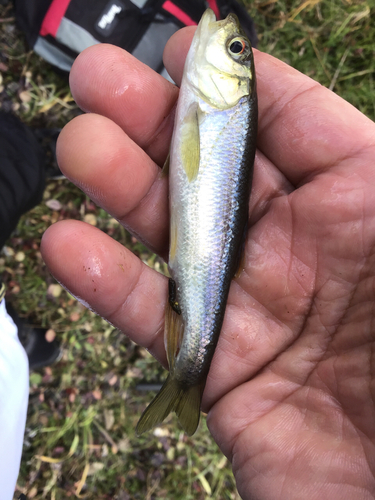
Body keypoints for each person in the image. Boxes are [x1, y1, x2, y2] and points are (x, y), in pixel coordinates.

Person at [40, 27, 375, 500]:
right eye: (237, 49)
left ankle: (187, 376)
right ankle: (186, 377)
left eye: (235, 50)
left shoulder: (226, 105)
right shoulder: (218, 103)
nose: (222, 36)